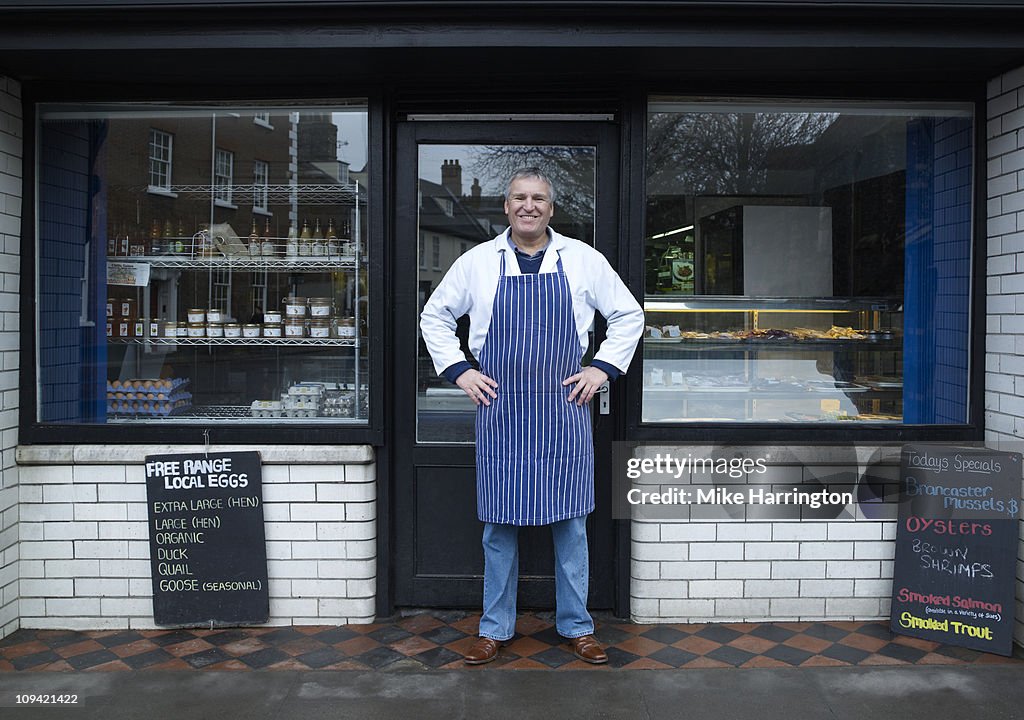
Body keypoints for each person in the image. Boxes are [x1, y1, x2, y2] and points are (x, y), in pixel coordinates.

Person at [419, 167, 644, 665]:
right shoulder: (477, 262)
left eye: (538, 198)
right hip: (501, 409)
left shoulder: (582, 261)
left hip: (565, 411)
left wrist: (601, 368)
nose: (529, 206)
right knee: (498, 529)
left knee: (571, 527)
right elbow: (433, 316)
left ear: (550, 207)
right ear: (506, 206)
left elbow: (629, 315)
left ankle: (578, 627)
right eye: (520, 197)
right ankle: (493, 628)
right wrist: (460, 370)